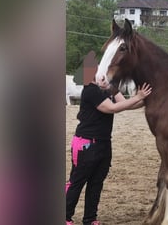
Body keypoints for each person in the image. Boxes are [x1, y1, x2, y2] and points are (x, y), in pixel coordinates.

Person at [66, 75, 152, 225]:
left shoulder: (107, 89)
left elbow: (126, 104)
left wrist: (146, 99)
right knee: (77, 182)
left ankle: (90, 219)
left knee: (96, 183)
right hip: (86, 144)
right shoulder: (90, 90)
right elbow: (111, 108)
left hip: (104, 143)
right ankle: (65, 216)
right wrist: (138, 96)